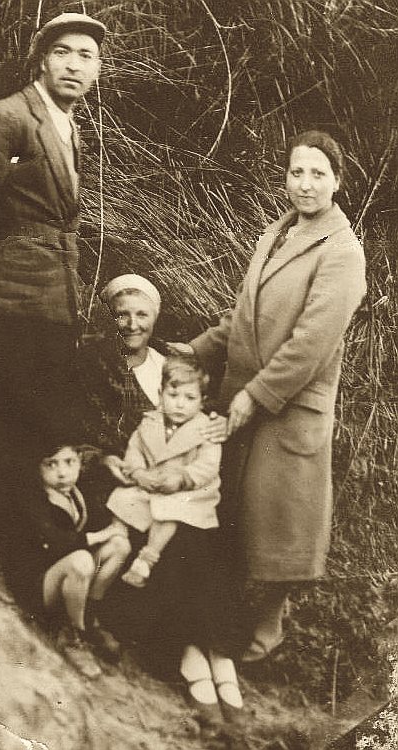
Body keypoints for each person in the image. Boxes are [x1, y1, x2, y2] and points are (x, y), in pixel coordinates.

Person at [173, 130, 367, 663]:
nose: (305, 184)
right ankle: (221, 619)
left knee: (280, 523)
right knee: (236, 513)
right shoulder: (277, 233)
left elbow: (310, 343)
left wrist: (256, 395)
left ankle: (268, 628)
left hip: (288, 407)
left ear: (337, 181)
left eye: (318, 174)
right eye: (296, 172)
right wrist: (192, 352)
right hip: (248, 396)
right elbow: (242, 317)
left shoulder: (344, 253)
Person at [78, 274, 243, 722]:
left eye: (141, 315)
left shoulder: (172, 360)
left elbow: (205, 405)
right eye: (122, 315)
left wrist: (217, 427)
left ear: (155, 319)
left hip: (181, 484)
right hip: (127, 480)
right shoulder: (96, 364)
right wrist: (105, 462)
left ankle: (220, 656)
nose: (132, 324)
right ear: (109, 319)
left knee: (205, 540)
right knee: (175, 543)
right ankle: (190, 657)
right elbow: (80, 435)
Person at [0, 12, 106, 449]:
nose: (73, 65)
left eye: (86, 55)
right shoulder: (9, 118)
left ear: (97, 68)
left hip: (48, 303)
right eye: (62, 52)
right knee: (18, 431)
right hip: (4, 307)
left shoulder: (67, 126)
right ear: (42, 61)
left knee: (38, 434)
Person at [4, 441, 131, 678]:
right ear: (38, 468)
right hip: (38, 584)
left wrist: (117, 526)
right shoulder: (35, 497)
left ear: (79, 463)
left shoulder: (76, 490)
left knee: (119, 545)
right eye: (51, 465)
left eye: (69, 463)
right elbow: (56, 541)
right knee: (82, 560)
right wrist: (101, 534)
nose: (62, 473)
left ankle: (87, 614)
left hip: (70, 578)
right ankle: (72, 633)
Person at [107, 354, 222, 589]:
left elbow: (208, 465)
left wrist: (183, 478)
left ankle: (147, 558)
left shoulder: (207, 429)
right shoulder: (150, 421)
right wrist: (138, 472)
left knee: (172, 511)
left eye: (190, 398)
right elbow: (135, 448)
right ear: (160, 395)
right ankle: (116, 534)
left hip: (188, 492)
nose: (180, 404)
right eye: (173, 395)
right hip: (151, 483)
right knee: (123, 497)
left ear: (202, 401)